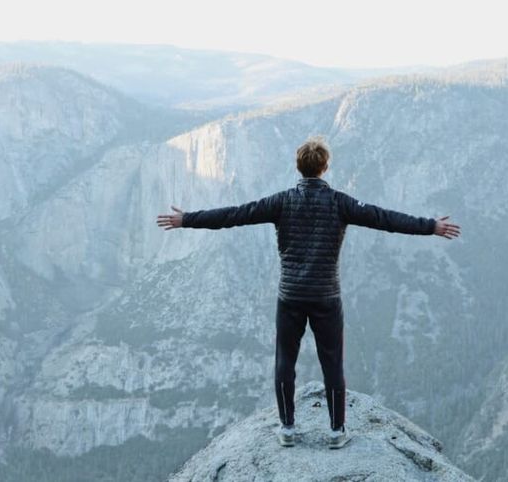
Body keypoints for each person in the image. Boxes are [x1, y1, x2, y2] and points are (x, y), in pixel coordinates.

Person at [156, 136, 460, 449]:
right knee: (332, 364)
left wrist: (186, 220)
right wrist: (430, 226)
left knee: (285, 360)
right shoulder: (341, 203)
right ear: (325, 167)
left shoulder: (281, 201)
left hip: (290, 296)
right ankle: (336, 431)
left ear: (298, 167)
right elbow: (384, 218)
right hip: (326, 297)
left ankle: (287, 429)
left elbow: (235, 214)